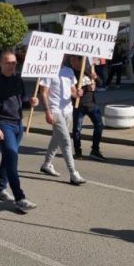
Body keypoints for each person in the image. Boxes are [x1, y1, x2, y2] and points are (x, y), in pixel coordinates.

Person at [0, 50, 39, 213]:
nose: (11, 65)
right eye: (8, 62)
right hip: (3, 124)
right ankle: (20, 197)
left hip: (17, 125)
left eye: (14, 62)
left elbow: (20, 101)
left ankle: (1, 189)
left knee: (8, 157)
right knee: (12, 158)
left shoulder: (17, 80)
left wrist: (30, 102)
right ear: (0, 63)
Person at [38, 57, 86, 185]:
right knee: (65, 141)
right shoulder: (48, 71)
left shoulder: (69, 71)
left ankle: (47, 164)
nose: (61, 57)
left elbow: (73, 93)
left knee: (56, 138)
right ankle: (73, 173)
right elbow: (43, 93)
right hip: (55, 111)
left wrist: (79, 93)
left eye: (63, 55)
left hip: (68, 110)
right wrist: (47, 111)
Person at [69, 56, 106, 161]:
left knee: (99, 126)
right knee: (77, 129)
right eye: (71, 60)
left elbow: (101, 83)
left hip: (92, 104)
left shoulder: (89, 70)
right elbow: (70, 91)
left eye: (74, 60)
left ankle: (95, 150)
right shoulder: (71, 73)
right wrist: (86, 89)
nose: (72, 62)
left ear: (81, 61)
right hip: (79, 105)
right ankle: (78, 152)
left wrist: (95, 77)